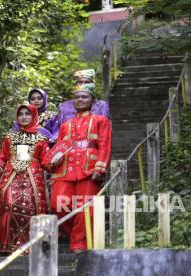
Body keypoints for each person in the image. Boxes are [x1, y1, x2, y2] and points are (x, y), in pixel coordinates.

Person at [47, 81, 112, 253]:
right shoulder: (65, 125)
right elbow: (59, 149)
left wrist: (100, 167)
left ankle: (79, 244)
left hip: (89, 169)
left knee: (86, 208)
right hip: (65, 170)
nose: (80, 100)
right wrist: (52, 164)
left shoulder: (101, 120)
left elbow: (105, 145)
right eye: (76, 97)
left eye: (84, 96)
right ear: (72, 101)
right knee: (57, 205)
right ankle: (76, 235)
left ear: (92, 100)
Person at [0, 104, 51, 254]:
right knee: (8, 205)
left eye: (27, 114)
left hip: (33, 179)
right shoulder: (9, 138)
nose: (23, 117)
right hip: (11, 176)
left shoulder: (42, 139)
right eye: (20, 114)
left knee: (32, 208)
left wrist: (59, 159)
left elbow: (46, 162)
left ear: (34, 116)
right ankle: (7, 246)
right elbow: (3, 159)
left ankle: (32, 247)